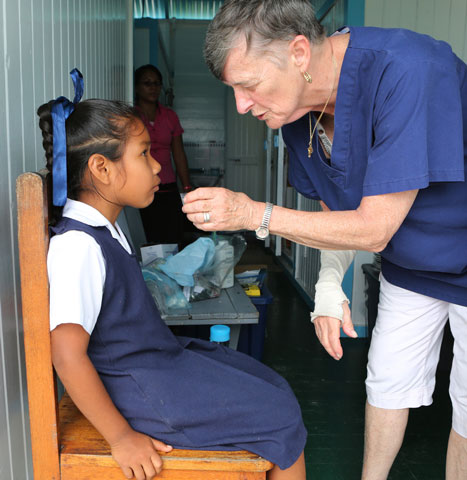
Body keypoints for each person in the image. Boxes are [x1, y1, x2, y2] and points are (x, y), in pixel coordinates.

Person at [181, 1, 467, 479]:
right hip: (410, 266)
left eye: (248, 86)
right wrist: (330, 284)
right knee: (387, 385)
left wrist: (255, 214)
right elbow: (338, 208)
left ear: (298, 53)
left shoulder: (407, 71)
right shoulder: (296, 111)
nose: (242, 105)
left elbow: (373, 227)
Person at [38, 70, 307, 480]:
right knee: (281, 413)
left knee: (270, 384)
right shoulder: (77, 245)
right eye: (144, 153)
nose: (158, 164)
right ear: (101, 168)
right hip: (141, 390)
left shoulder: (104, 227)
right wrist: (121, 436)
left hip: (152, 364)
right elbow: (66, 354)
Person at [134, 64, 192, 246]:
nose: (153, 88)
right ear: (136, 87)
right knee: (148, 236)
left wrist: (187, 186)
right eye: (147, 83)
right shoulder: (131, 117)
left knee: (172, 235)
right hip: (140, 185)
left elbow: (179, 153)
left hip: (167, 185)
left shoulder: (170, 116)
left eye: (157, 84)